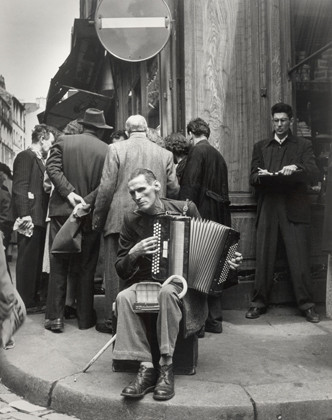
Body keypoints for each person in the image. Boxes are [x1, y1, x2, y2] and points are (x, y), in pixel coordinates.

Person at [114, 168, 242, 401]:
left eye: (141, 189)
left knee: (166, 292)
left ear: (156, 187)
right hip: (147, 282)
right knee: (124, 298)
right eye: (132, 192)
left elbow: (211, 249)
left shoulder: (185, 209)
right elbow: (120, 268)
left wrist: (227, 261)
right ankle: (146, 368)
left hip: (182, 286)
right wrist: (134, 253)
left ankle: (165, 366)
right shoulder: (131, 220)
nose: (137, 196)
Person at [92, 115, 179, 335]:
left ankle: (117, 324)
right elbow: (175, 188)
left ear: (128, 130)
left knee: (117, 275)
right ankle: (152, 324)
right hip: (157, 220)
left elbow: (106, 188)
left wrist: (98, 220)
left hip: (118, 219)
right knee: (155, 270)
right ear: (146, 129)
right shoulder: (165, 154)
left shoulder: (115, 149)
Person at [246, 102, 320, 323]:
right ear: (272, 121)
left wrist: (296, 169)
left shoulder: (303, 145)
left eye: (283, 120)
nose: (279, 125)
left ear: (291, 121)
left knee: (299, 260)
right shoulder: (261, 146)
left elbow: (315, 173)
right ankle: (258, 303)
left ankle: (307, 305)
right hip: (268, 206)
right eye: (276, 120)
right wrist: (263, 175)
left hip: (294, 207)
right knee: (264, 259)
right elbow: (252, 177)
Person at [44, 108, 111, 332]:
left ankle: (55, 318)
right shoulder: (106, 150)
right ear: (100, 130)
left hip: (62, 212)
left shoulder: (63, 141)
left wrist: (69, 192)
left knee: (59, 264)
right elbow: (106, 184)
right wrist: (87, 202)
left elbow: (51, 168)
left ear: (82, 125)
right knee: (86, 267)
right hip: (89, 214)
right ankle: (84, 319)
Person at [178, 117, 231, 334]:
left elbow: (190, 185)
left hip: (202, 214)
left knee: (198, 267)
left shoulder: (197, 152)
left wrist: (182, 211)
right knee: (216, 265)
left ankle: (198, 322)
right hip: (220, 214)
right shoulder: (218, 155)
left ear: (191, 133)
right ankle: (215, 320)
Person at [10, 125, 55, 312]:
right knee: (27, 260)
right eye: (50, 142)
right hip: (31, 216)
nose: (51, 145)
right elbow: (20, 186)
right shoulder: (25, 156)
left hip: (38, 217)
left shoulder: (37, 158)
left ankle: (31, 299)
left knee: (34, 260)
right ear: (42, 138)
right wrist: (25, 214)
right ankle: (24, 301)